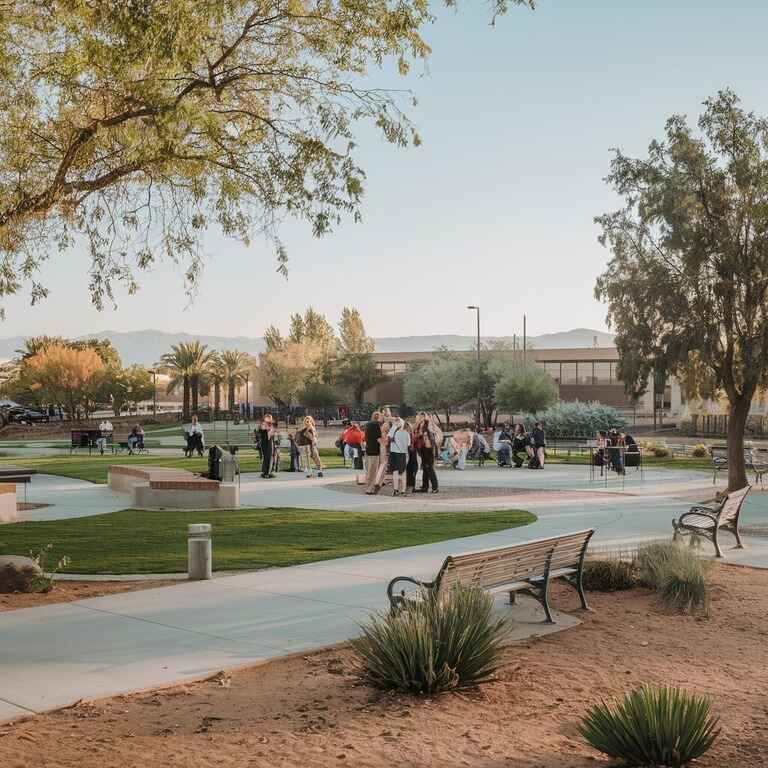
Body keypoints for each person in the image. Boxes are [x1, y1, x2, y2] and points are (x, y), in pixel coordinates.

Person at [413, 412, 439, 493]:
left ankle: (435, 487)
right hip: (423, 449)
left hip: (428, 449)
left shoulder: (427, 424)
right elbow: (415, 430)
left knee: (429, 468)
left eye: (419, 417)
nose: (417, 418)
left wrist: (423, 419)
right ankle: (425, 487)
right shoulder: (420, 425)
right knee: (425, 468)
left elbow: (420, 434)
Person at [387, 416, 410, 496]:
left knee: (395, 472)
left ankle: (395, 489)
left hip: (394, 453)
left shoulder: (392, 430)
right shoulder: (406, 433)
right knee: (403, 472)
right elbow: (408, 445)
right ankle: (403, 490)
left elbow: (389, 439)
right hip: (402, 454)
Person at [363, 411, 383, 495]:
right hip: (375, 451)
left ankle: (367, 487)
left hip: (368, 450)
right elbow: (379, 438)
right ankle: (370, 489)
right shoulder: (377, 426)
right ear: (378, 418)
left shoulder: (367, 424)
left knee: (368, 470)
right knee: (373, 471)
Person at [258, 413, 276, 478]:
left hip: (270, 442)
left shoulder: (272, 425)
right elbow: (260, 432)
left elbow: (271, 434)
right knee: (265, 457)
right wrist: (264, 425)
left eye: (269, 418)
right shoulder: (262, 425)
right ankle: (265, 472)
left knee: (270, 456)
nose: (267, 419)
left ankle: (269, 472)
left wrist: (269, 429)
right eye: (266, 417)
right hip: (264, 442)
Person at [404, 421, 419, 493]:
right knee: (412, 470)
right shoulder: (410, 435)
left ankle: (410, 486)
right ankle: (411, 486)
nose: (409, 429)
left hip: (411, 454)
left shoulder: (411, 435)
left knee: (411, 470)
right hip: (410, 454)